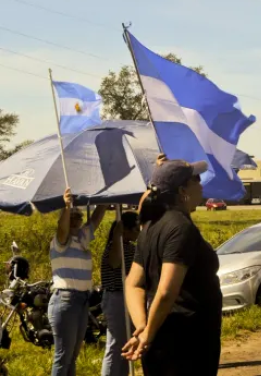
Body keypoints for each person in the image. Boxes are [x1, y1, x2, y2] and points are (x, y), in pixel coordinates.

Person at [122, 160, 221, 375]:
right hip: (185, 343)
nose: (201, 185)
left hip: (162, 338)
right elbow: (166, 291)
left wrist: (143, 327)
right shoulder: (180, 228)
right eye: (196, 179)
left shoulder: (150, 227)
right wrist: (147, 333)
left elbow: (133, 284)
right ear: (182, 190)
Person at [50, 188, 108, 376]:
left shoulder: (81, 237)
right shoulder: (61, 240)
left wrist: (106, 199)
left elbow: (96, 219)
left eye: (79, 216)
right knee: (63, 356)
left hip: (82, 300)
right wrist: (67, 207)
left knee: (72, 356)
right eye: (73, 216)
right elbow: (62, 227)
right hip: (66, 300)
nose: (76, 219)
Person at [100, 211, 140, 376]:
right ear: (125, 230)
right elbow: (115, 262)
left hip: (128, 298)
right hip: (116, 297)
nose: (138, 232)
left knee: (126, 344)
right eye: (136, 229)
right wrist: (117, 236)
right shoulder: (114, 247)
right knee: (116, 344)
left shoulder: (132, 247)